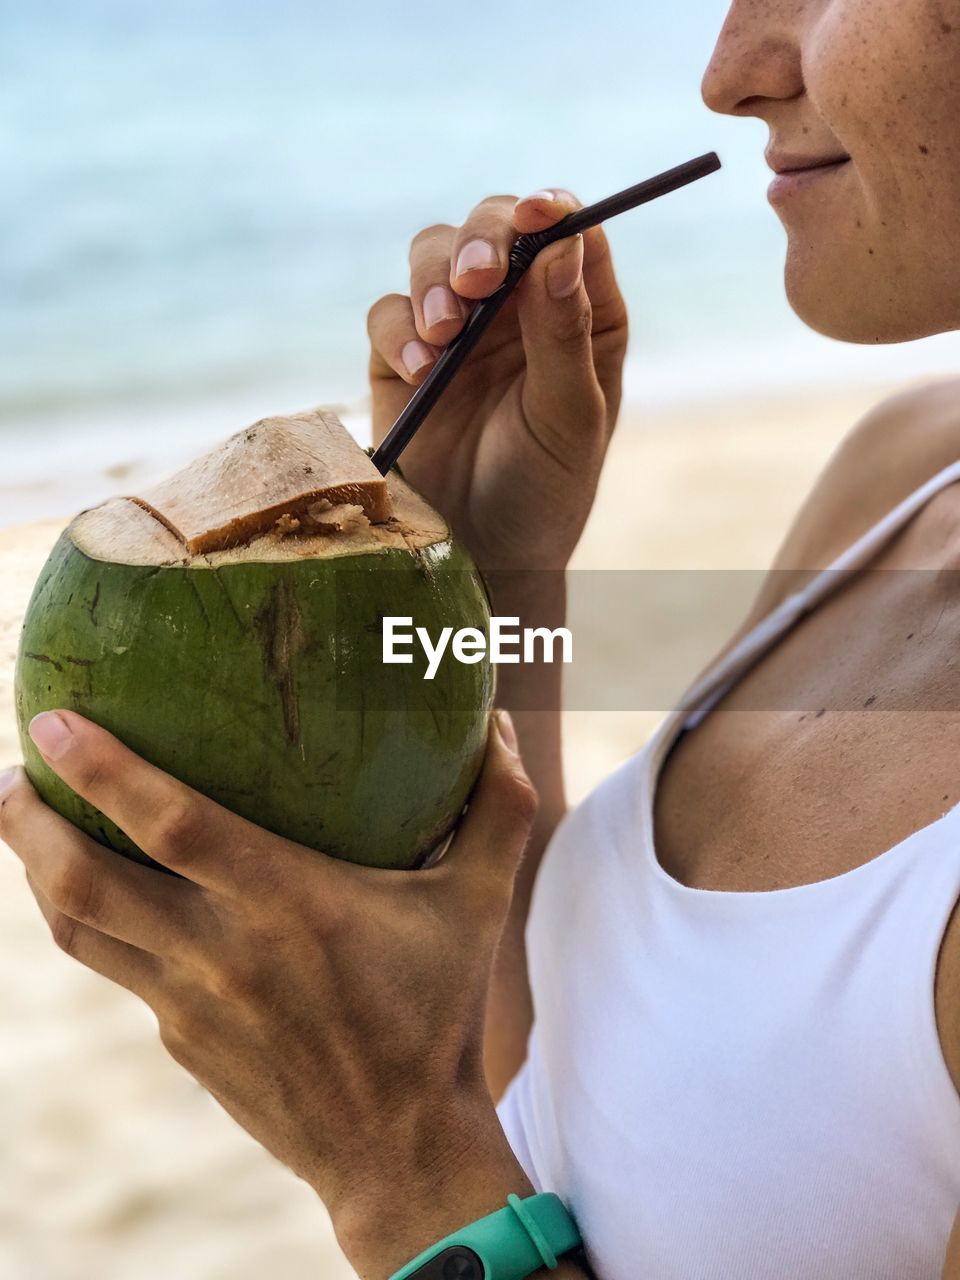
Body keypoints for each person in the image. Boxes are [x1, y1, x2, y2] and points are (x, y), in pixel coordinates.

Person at [2, 0, 960, 1275]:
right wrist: (491, 585)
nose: (730, 74)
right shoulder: (899, 477)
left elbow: (469, 1157)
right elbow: (568, 1081)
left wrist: (393, 1156)